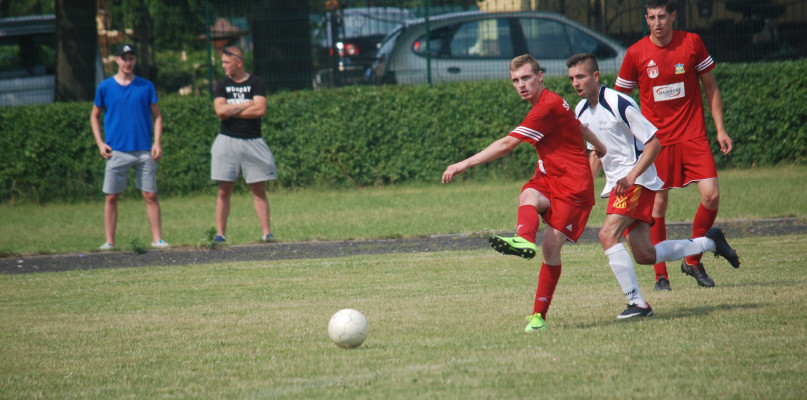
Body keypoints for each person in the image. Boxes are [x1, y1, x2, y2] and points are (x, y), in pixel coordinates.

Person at [567, 53, 740, 318]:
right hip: (619, 184)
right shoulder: (580, 111)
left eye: (580, 76)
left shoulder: (619, 102)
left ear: (596, 76)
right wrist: (583, 190)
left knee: (607, 235)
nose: (576, 83)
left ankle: (638, 304)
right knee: (645, 255)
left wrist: (632, 176)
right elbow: (596, 154)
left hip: (636, 182)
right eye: (571, 79)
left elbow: (654, 143)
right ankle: (709, 243)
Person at [442, 54, 607, 332]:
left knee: (551, 248)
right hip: (550, 178)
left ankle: (539, 316)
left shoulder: (546, 107)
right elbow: (577, 125)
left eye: (527, 78)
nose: (521, 85)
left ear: (540, 76)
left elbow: (507, 144)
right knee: (528, 195)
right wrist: (600, 146)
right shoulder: (552, 102)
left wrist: (463, 163)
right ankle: (523, 239)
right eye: (516, 80)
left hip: (573, 188)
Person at [615, 0, 735, 290]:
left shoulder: (692, 43)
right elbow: (619, 102)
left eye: (662, 16)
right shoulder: (635, 53)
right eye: (651, 17)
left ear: (673, 17)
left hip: (693, 135)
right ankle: (660, 276)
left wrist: (720, 129)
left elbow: (711, 86)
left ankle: (692, 260)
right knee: (658, 204)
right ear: (646, 19)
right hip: (656, 142)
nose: (657, 22)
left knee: (711, 195)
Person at [90, 43, 168, 250]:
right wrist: (100, 143)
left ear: (135, 60)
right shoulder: (105, 87)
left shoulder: (145, 86)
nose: (128, 62)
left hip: (143, 150)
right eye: (124, 58)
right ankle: (109, 241)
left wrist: (157, 143)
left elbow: (157, 116)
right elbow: (94, 116)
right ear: (117, 60)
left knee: (150, 194)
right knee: (112, 197)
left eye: (131, 58)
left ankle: (157, 239)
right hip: (117, 150)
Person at [211, 46, 277, 243]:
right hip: (227, 140)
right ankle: (220, 234)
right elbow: (220, 112)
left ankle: (267, 233)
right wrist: (246, 104)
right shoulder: (222, 85)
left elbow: (260, 110)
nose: (223, 66)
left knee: (258, 188)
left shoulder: (256, 83)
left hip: (252, 141)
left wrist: (233, 108)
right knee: (224, 189)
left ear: (238, 62)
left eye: (226, 62)